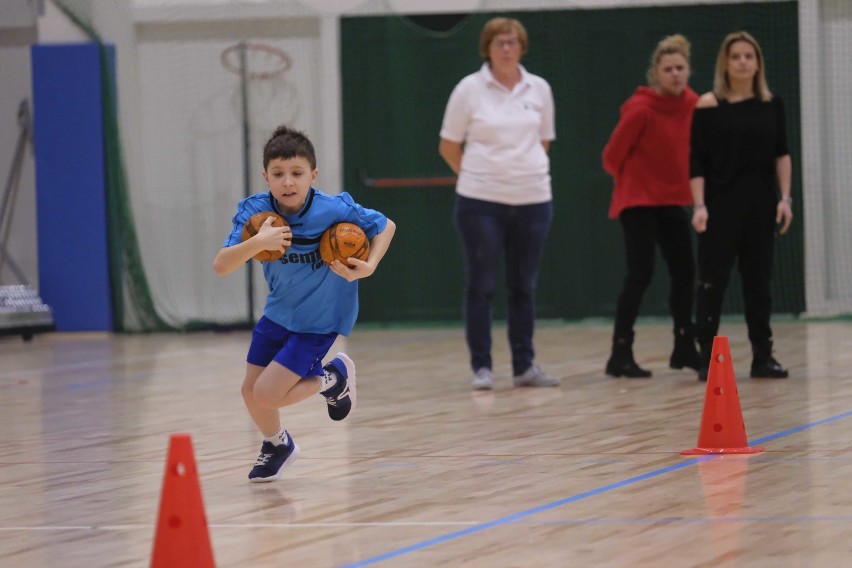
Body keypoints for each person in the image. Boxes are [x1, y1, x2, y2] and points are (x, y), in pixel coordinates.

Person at [213, 126, 396, 481]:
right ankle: (276, 444)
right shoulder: (255, 212)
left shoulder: (333, 208)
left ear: (313, 175)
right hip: (279, 313)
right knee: (249, 391)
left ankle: (332, 379)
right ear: (265, 176)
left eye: (297, 173)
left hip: (320, 320)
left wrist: (369, 267)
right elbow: (222, 265)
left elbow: (386, 226)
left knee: (267, 394)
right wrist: (260, 240)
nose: (288, 182)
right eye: (278, 174)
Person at [438, 17, 559, 391]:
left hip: (533, 200)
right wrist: (479, 177)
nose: (506, 48)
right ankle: (482, 368)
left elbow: (544, 140)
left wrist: (520, 173)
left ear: (521, 47)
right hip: (480, 202)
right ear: (487, 48)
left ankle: (524, 366)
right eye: (498, 42)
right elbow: (448, 146)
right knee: (481, 284)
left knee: (524, 285)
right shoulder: (468, 89)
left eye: (512, 42)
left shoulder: (539, 88)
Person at [689, 31, 793, 381]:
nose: (743, 62)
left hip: (761, 205)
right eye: (736, 56)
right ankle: (706, 357)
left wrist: (785, 198)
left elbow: (782, 153)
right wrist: (700, 205)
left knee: (759, 283)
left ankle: (763, 356)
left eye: (750, 56)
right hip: (720, 205)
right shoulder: (708, 105)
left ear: (758, 62)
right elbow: (697, 161)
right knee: (712, 282)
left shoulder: (772, 104)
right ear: (726, 63)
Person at [601, 34, 702, 378]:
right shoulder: (641, 109)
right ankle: (620, 351)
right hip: (639, 200)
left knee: (685, 272)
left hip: (672, 199)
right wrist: (636, 182)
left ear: (688, 71)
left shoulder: (693, 105)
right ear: (655, 73)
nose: (675, 74)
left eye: (680, 68)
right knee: (640, 273)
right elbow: (610, 157)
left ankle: (684, 345)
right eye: (668, 68)